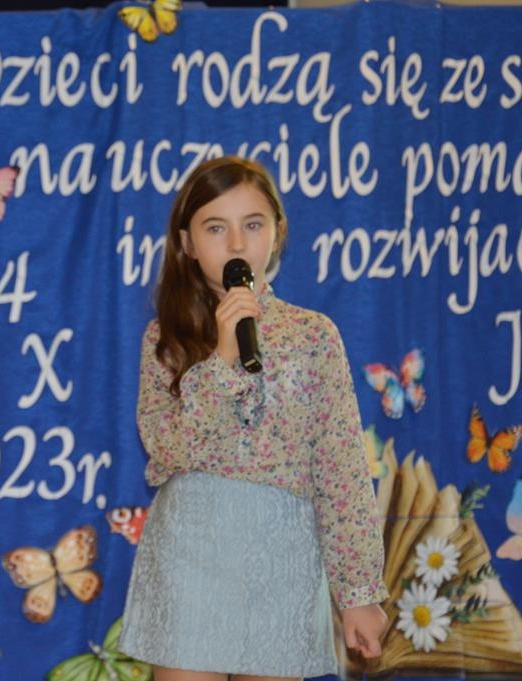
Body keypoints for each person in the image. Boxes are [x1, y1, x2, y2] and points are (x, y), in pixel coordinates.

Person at [117, 156, 389, 681]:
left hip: (280, 557)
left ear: (278, 233)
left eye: (253, 225)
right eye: (216, 228)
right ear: (187, 243)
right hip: (191, 555)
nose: (237, 244)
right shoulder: (165, 339)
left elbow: (341, 470)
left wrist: (357, 592)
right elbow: (166, 448)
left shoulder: (313, 336)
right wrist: (221, 359)